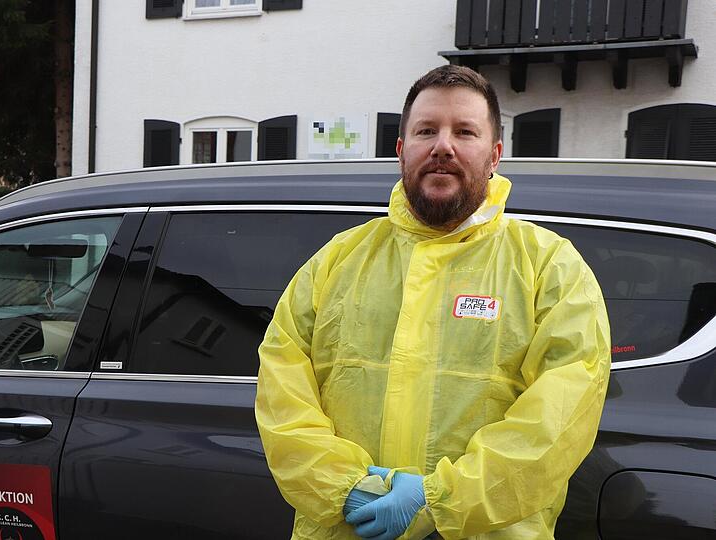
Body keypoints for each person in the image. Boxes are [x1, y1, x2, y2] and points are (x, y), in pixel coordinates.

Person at [255, 65, 611, 540]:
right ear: (401, 150)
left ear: (495, 155)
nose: (443, 146)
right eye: (426, 131)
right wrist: (342, 486)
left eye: (464, 131)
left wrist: (440, 500)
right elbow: (283, 394)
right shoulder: (335, 261)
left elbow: (559, 420)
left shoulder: (549, 267)